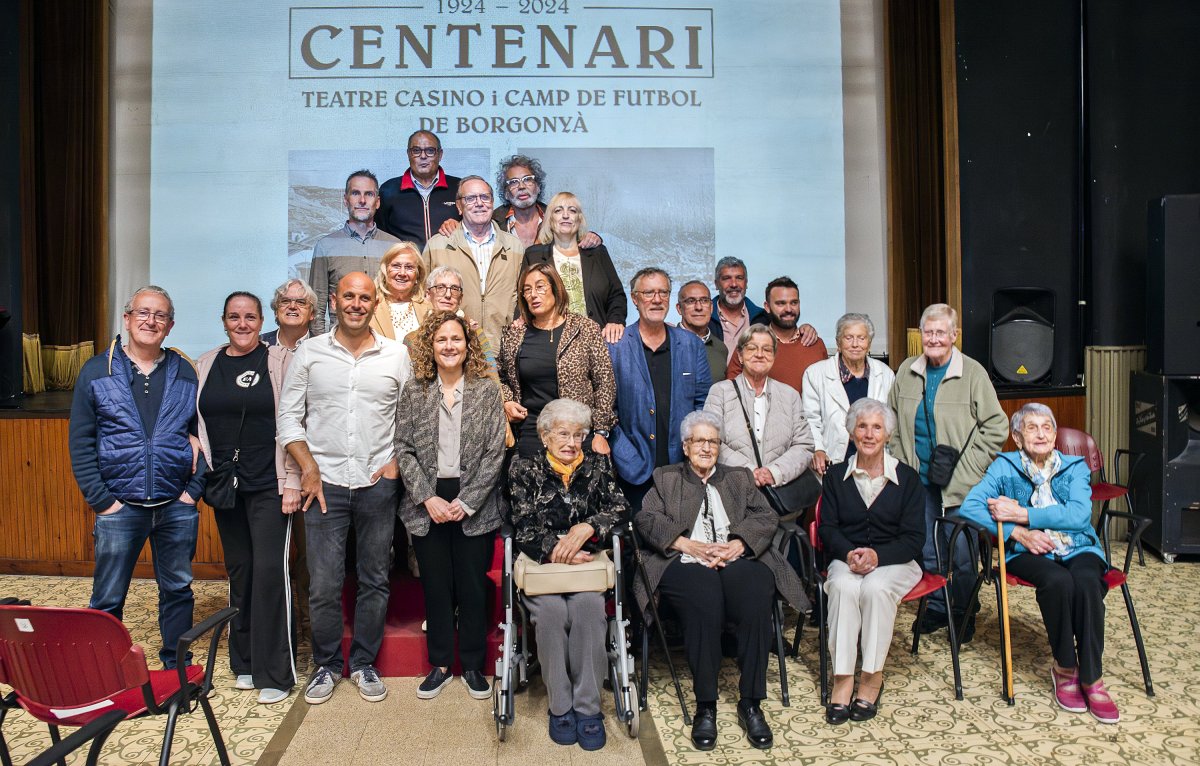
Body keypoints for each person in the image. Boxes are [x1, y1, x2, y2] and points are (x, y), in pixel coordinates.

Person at [634, 411, 808, 751]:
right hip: (684, 560)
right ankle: (706, 705)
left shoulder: (738, 477)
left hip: (736, 556)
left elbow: (765, 516)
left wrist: (739, 543)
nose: (706, 447)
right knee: (705, 601)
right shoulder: (666, 477)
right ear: (686, 446)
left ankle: (751, 702)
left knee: (758, 595)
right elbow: (646, 518)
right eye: (699, 440)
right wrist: (686, 543)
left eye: (712, 441)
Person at [277, 272, 412, 705]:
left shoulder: (396, 355)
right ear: (334, 301)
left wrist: (394, 463)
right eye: (349, 296)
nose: (356, 303)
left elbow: (410, 418)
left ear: (376, 304)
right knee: (323, 583)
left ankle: (365, 663)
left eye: (365, 297)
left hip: (377, 483)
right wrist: (308, 469)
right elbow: (289, 419)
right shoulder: (311, 353)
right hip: (324, 485)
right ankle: (328, 665)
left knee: (375, 578)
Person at [69, 285, 205, 669]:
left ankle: (177, 667)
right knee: (108, 596)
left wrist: (192, 492)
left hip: (175, 506)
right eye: (143, 313)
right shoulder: (97, 370)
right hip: (119, 507)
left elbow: (205, 438)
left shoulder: (185, 371)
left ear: (170, 325)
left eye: (160, 315)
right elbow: (81, 442)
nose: (151, 321)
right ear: (127, 319)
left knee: (177, 590)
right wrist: (102, 501)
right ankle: (104, 670)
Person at [958, 403, 1118, 723]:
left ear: (1055, 435)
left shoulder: (1074, 467)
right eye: (1032, 428)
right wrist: (1018, 532)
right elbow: (970, 507)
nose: (1041, 434)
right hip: (1026, 552)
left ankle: (1092, 677)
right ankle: (1064, 666)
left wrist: (1021, 514)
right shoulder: (1004, 466)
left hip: (1078, 547)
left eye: (1047, 427)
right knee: (1057, 582)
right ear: (1017, 438)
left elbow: (1078, 516)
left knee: (1087, 582)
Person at [395, 311, 506, 702]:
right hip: (428, 500)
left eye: (456, 339)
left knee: (473, 587)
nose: (449, 346)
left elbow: (496, 452)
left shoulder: (487, 390)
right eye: (441, 339)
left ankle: (473, 665)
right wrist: (427, 497)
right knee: (437, 586)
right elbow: (403, 449)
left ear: (468, 344)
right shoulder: (415, 390)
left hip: (474, 500)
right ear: (431, 346)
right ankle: (440, 664)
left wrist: (467, 500)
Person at [196, 291, 299, 705]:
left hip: (270, 484)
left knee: (271, 572)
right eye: (234, 317)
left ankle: (275, 672)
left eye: (250, 317)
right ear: (223, 320)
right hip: (225, 486)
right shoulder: (205, 364)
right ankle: (245, 661)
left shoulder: (279, 361)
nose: (242, 324)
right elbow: (197, 419)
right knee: (240, 572)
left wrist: (293, 478)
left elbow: (296, 420)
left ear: (262, 322)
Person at [508, 398, 628, 750]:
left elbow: (620, 509)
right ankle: (560, 705)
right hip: (544, 570)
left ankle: (588, 708)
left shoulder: (598, 466)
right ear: (544, 436)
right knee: (552, 613)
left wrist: (587, 528)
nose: (570, 442)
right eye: (562, 433)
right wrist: (556, 550)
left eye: (578, 434)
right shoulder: (523, 469)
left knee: (590, 611)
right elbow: (522, 523)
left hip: (586, 571)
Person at [888, 302, 1007, 641]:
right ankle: (938, 607)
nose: (935, 338)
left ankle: (963, 609)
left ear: (954, 335)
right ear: (920, 334)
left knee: (963, 552)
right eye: (929, 332)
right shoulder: (907, 370)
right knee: (926, 547)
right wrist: (902, 463)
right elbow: (891, 421)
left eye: (942, 332)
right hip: (918, 481)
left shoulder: (973, 373)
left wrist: (968, 469)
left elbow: (996, 427)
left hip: (962, 484)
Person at [818, 398, 926, 725]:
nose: (869, 434)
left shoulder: (908, 479)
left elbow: (913, 538)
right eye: (862, 426)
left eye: (876, 427)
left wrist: (879, 556)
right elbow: (828, 527)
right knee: (841, 586)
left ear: (887, 435)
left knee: (876, 588)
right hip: (846, 556)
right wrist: (849, 553)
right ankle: (842, 678)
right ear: (851, 433)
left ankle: (871, 677)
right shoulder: (836, 476)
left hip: (896, 559)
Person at [608, 268, 712, 511]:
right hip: (633, 471)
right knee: (640, 544)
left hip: (682, 468)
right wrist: (626, 457)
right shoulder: (615, 346)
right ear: (634, 298)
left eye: (663, 292)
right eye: (648, 293)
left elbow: (703, 404)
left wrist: (693, 453)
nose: (656, 299)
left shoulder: (691, 345)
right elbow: (606, 409)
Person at [499, 263, 617, 460]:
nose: (533, 295)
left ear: (555, 288)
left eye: (540, 286)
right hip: (532, 434)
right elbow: (501, 376)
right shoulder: (514, 334)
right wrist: (507, 400)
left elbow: (605, 382)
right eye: (527, 290)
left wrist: (601, 432)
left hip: (577, 435)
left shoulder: (585, 329)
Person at [704, 325, 815, 510]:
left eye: (766, 349)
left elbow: (804, 445)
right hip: (731, 496)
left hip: (779, 497)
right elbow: (710, 441)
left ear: (774, 355)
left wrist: (775, 472)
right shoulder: (720, 392)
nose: (759, 354)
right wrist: (750, 471)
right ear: (739, 355)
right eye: (752, 348)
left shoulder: (790, 395)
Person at [423, 175, 524, 348]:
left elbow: (522, 298)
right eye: (470, 198)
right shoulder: (437, 245)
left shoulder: (514, 246)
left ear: (492, 202)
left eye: (485, 197)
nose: (479, 203)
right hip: (453, 351)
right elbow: (422, 298)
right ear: (459, 207)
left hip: (503, 349)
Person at [521, 192, 626, 343]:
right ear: (550, 219)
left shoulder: (598, 253)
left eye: (572, 210)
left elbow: (616, 295)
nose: (565, 215)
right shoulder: (533, 256)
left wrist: (615, 321)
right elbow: (523, 297)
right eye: (558, 211)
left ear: (579, 219)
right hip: (549, 344)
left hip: (596, 342)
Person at [802, 312, 895, 476]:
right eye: (848, 337)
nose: (855, 344)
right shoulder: (815, 373)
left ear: (869, 343)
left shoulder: (885, 374)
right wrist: (818, 449)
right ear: (838, 342)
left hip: (875, 463)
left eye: (861, 338)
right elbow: (810, 419)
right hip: (832, 462)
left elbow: (891, 422)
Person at [309, 170, 401, 335]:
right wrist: (321, 348)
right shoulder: (325, 246)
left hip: (386, 341)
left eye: (369, 194)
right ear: (346, 199)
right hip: (339, 344)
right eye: (355, 193)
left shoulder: (394, 246)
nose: (362, 200)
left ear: (378, 202)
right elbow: (317, 305)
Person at [727, 276, 826, 395]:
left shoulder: (815, 344)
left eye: (794, 303)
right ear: (767, 307)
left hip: (805, 413)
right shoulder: (749, 344)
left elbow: (826, 391)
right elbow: (731, 392)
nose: (789, 309)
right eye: (781, 303)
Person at [377, 130, 460, 250]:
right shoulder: (388, 190)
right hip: (406, 266)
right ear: (408, 154)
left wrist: (461, 227)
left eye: (430, 151)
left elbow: (475, 229)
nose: (423, 156)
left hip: (449, 265)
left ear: (440, 155)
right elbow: (379, 235)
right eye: (416, 151)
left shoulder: (459, 188)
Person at [371, 242, 432, 340]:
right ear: (385, 270)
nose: (402, 273)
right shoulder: (372, 306)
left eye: (409, 267)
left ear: (418, 274)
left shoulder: (428, 308)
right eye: (396, 266)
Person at [677, 280, 727, 381]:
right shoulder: (666, 344)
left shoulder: (720, 347)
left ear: (711, 307)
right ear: (679, 309)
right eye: (691, 301)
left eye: (704, 300)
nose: (699, 307)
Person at [262, 278, 317, 350]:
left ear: (312, 314)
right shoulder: (259, 344)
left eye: (301, 302)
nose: (292, 306)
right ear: (276, 311)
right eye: (285, 301)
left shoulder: (322, 348)